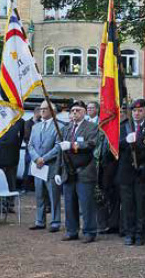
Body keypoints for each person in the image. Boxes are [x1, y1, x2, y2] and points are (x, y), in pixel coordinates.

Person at [117, 99, 145, 246]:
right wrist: (125, 141)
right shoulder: (123, 127)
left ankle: (140, 234)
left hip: (143, 172)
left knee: (142, 205)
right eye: (134, 111)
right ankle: (129, 233)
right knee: (128, 205)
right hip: (126, 173)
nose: (137, 113)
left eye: (140, 110)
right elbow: (114, 147)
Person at [56, 100, 98, 243]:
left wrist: (73, 145)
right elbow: (60, 152)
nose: (74, 113)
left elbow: (91, 144)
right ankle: (72, 230)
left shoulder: (91, 127)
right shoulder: (66, 129)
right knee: (69, 203)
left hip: (84, 170)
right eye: (72, 110)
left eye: (78, 110)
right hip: (68, 172)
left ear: (85, 112)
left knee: (86, 204)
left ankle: (89, 231)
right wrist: (57, 171)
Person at [28, 101, 62, 232]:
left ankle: (55, 221)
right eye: (41, 109)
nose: (42, 111)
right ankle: (39, 221)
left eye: (45, 109)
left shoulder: (59, 126)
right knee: (39, 195)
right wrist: (36, 158)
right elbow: (30, 145)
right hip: (38, 167)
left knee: (53, 196)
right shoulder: (35, 127)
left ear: (53, 111)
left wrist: (44, 158)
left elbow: (58, 146)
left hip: (51, 166)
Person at [0, 117, 24, 212]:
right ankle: (0, 205)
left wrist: (15, 147)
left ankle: (10, 205)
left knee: (11, 182)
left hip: (13, 157)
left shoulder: (20, 121)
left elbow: (21, 137)